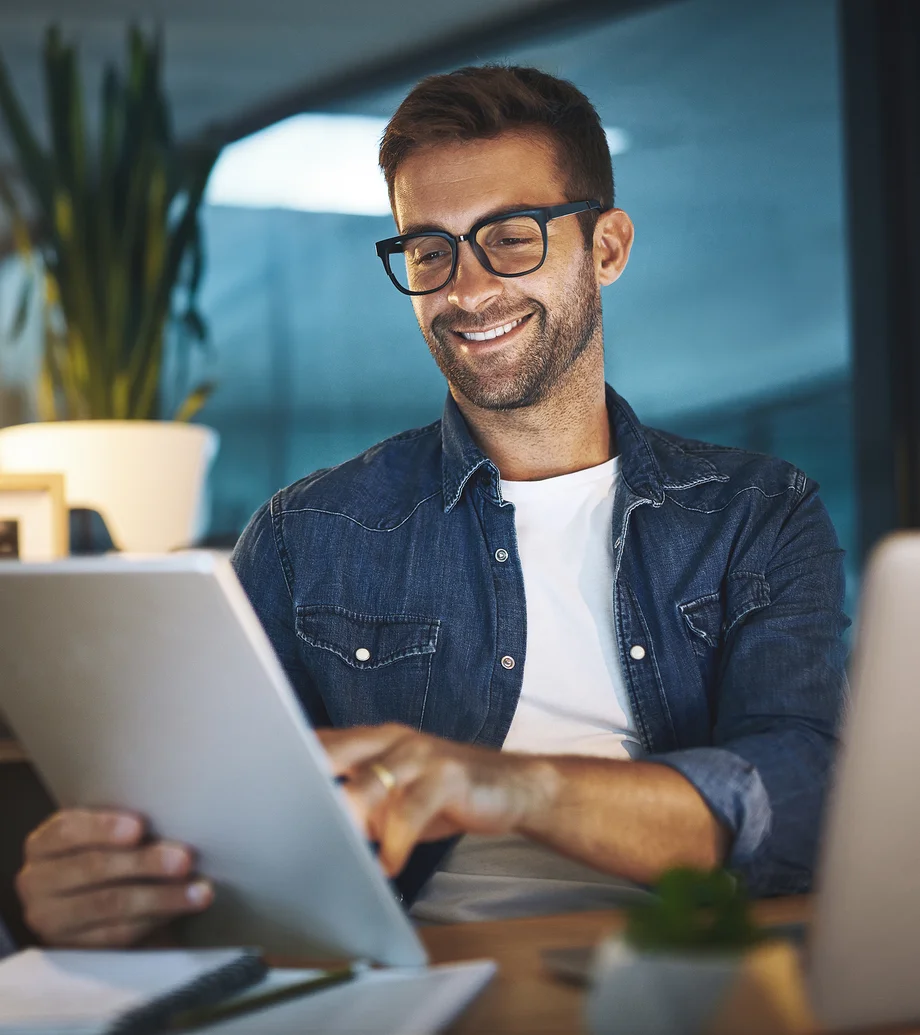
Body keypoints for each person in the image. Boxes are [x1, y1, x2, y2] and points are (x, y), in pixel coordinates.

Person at [13, 65, 848, 947]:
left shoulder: (756, 512)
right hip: (414, 975)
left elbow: (796, 795)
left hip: (686, 973)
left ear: (607, 246)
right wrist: (103, 880)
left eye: (511, 237)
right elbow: (218, 821)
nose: (466, 290)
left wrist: (509, 787)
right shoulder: (307, 535)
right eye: (429, 250)